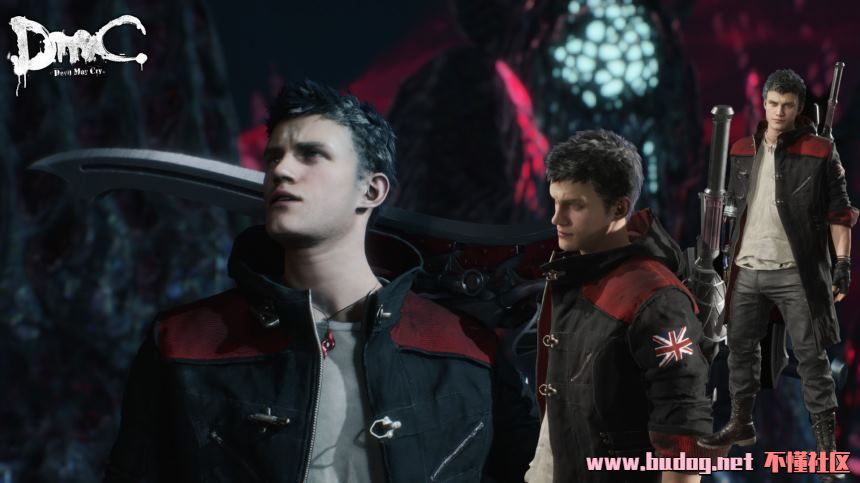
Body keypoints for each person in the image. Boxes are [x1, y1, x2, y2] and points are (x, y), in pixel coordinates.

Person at [104, 80, 538, 483]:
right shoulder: (183, 342)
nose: (281, 170)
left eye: (310, 154)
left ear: (371, 191)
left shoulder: (467, 352)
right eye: (273, 157)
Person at [524, 130, 722, 483]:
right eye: (555, 202)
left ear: (618, 207)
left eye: (575, 205)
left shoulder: (655, 298)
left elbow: (684, 431)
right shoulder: (573, 273)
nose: (557, 218)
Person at [698, 69, 856, 480]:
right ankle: (740, 422)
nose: (779, 112)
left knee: (810, 359)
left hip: (796, 273)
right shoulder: (742, 150)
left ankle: (826, 450)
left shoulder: (820, 152)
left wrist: (842, 263)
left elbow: (839, 213)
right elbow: (734, 209)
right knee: (740, 352)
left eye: (787, 105)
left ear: (799, 108)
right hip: (747, 268)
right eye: (773, 104)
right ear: (763, 104)